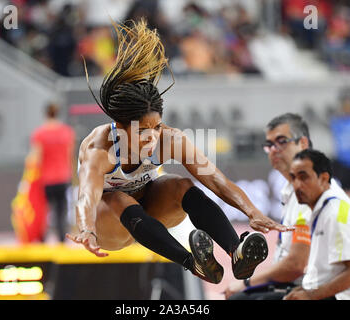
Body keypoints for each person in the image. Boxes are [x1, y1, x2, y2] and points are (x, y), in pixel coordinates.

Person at [65, 19, 292, 284]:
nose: (152, 138)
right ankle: (191, 262)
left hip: (152, 213)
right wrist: (86, 229)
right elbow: (87, 197)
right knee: (119, 199)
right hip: (109, 225)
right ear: (120, 128)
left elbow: (217, 180)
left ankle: (236, 251)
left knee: (181, 183)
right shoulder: (99, 149)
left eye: (157, 127)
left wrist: (252, 212)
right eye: (142, 132)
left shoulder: (169, 139)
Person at [226, 113, 314, 299]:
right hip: (294, 286)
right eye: (269, 145)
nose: (274, 150)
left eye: (282, 142)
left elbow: (296, 266)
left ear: (303, 144)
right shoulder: (290, 191)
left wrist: (248, 282)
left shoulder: (310, 193)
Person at [284, 149, 350, 300]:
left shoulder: (335, 213)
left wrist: (309, 295)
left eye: (303, 177)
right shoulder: (319, 211)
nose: (297, 185)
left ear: (323, 178)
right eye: (293, 178)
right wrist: (302, 290)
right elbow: (326, 273)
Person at [29, 103, 76, 242]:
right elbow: (70, 156)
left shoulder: (39, 133)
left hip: (46, 179)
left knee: (44, 211)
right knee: (62, 211)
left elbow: (36, 158)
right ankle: (62, 240)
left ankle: (42, 239)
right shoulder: (67, 132)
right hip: (63, 177)